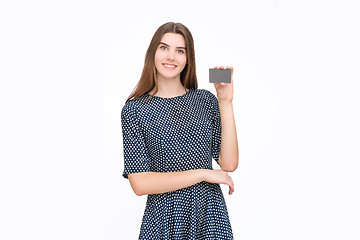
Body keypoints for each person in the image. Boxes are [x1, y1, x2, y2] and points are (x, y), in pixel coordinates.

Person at [121, 22, 239, 239]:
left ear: (188, 59)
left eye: (180, 51)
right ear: (153, 52)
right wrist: (203, 173)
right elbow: (139, 183)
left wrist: (225, 101)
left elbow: (228, 163)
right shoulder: (135, 109)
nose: (171, 57)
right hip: (164, 217)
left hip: (209, 215)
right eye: (164, 48)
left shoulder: (204, 100)